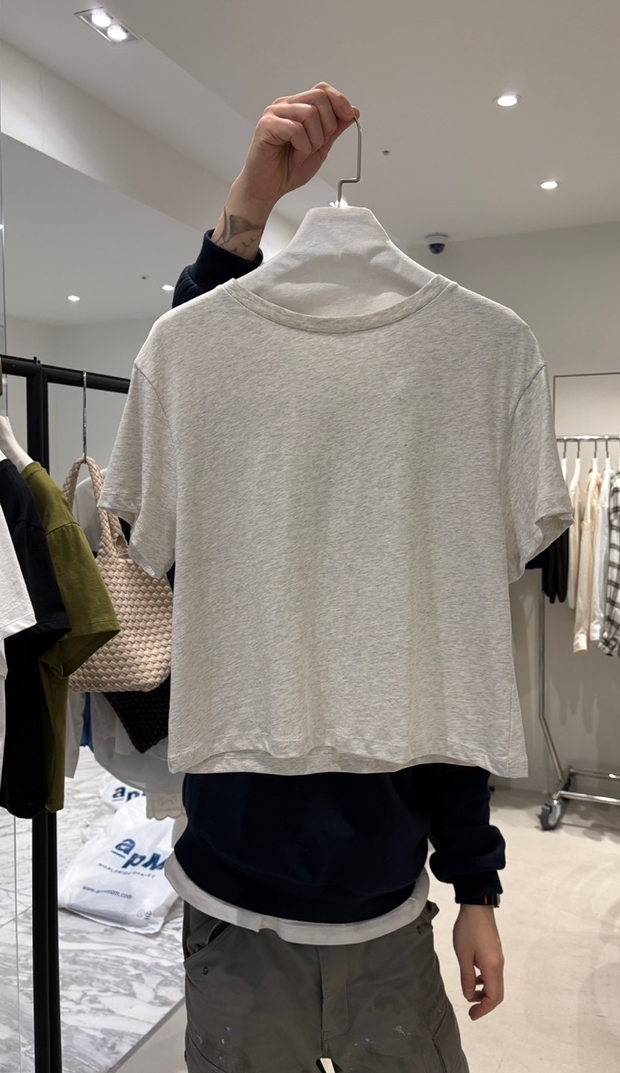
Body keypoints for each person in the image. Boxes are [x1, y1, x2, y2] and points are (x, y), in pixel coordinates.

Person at [169, 83, 505, 1073]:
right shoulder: (219, 418)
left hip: (387, 916)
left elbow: (457, 685)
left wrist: (476, 889)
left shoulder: (443, 427)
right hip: (234, 910)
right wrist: (246, 212)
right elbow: (196, 358)